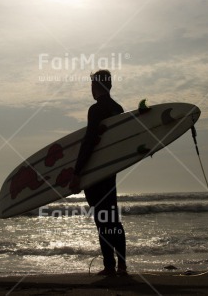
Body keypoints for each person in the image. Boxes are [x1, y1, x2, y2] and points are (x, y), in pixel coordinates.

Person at [70, 69, 127, 276]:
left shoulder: (95, 110)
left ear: (96, 87)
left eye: (92, 85)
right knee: (112, 217)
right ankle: (121, 265)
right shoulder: (118, 108)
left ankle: (109, 266)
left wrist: (77, 172)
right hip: (110, 172)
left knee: (101, 219)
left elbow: (89, 141)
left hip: (94, 171)